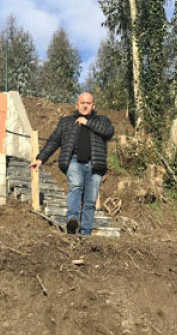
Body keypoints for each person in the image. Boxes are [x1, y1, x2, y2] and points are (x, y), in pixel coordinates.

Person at [29, 92, 114, 235]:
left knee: (90, 200)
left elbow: (109, 132)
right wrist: (40, 159)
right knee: (76, 186)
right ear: (77, 105)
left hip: (95, 164)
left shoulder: (102, 120)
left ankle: (85, 232)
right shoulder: (66, 122)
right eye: (83, 103)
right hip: (74, 160)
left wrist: (87, 122)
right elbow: (54, 141)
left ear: (93, 105)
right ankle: (72, 219)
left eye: (88, 103)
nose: (85, 106)